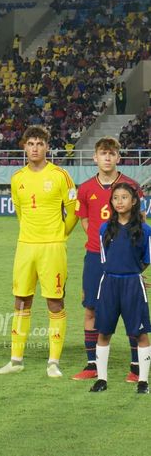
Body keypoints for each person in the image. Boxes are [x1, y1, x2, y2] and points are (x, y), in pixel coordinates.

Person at [0, 126, 78, 377]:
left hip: (52, 247)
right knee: (20, 300)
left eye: (40, 143)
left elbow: (73, 210)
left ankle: (53, 362)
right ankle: (16, 360)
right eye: (30, 143)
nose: (35, 148)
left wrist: (60, 234)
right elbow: (20, 213)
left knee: (54, 301)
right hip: (25, 247)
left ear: (47, 147)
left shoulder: (61, 175)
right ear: (24, 146)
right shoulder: (17, 177)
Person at [73, 137, 144, 382]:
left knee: (131, 310)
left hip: (125, 260)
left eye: (111, 154)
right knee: (91, 307)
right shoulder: (85, 188)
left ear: (118, 158)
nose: (107, 158)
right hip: (94, 256)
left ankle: (136, 368)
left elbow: (140, 221)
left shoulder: (130, 185)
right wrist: (100, 242)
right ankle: (92, 364)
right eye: (102, 153)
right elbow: (84, 220)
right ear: (95, 157)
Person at [89, 182, 151, 394]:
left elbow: (146, 259)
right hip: (109, 284)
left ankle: (143, 381)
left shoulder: (145, 230)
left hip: (133, 285)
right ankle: (101, 379)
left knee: (140, 333)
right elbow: (105, 258)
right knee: (104, 332)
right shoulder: (105, 228)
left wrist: (134, 274)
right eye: (116, 198)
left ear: (134, 201)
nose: (120, 201)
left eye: (124, 197)